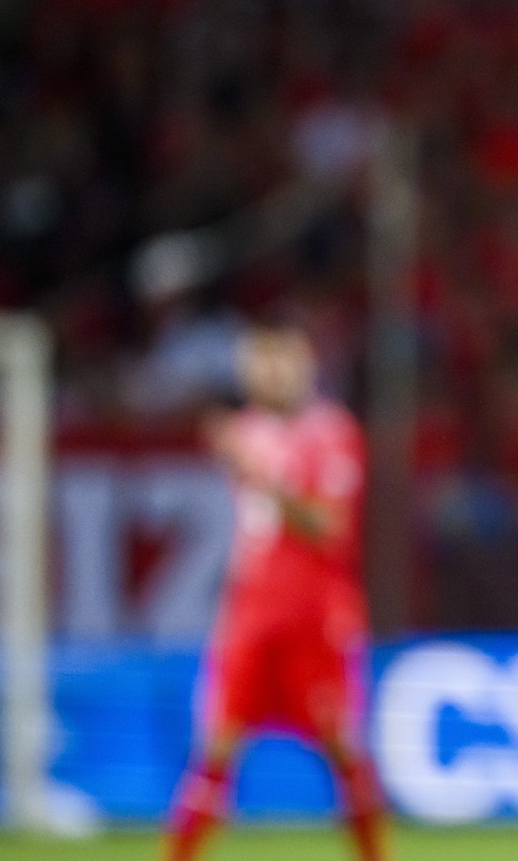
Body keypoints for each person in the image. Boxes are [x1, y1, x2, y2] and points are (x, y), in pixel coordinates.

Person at [165, 323, 388, 861]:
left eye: (281, 361)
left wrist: (260, 476)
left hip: (315, 614)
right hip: (251, 613)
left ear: (306, 367)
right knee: (216, 748)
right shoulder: (245, 429)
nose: (269, 373)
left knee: (343, 748)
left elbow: (328, 527)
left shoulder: (333, 432)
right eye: (259, 364)